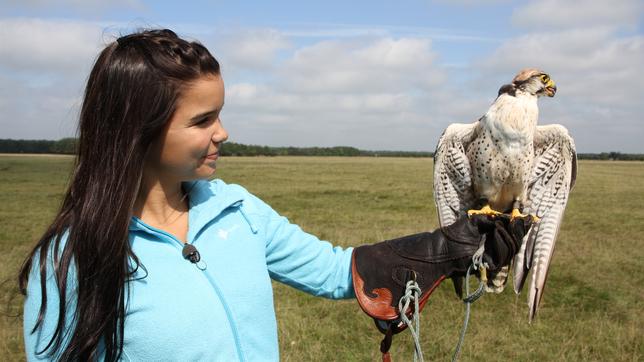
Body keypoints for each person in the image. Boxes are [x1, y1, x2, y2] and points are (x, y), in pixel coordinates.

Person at [19, 28, 529, 362]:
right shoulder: (69, 260)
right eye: (202, 120)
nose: (223, 132)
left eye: (219, 113)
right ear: (137, 129)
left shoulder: (236, 210)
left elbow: (335, 270)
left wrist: (447, 247)